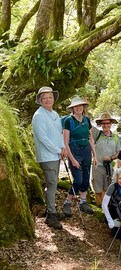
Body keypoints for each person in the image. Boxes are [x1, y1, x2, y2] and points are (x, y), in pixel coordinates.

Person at [32, 86, 66, 230]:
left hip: (56, 154)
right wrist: (58, 149)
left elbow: (58, 134)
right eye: (44, 98)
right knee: (51, 183)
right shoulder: (39, 116)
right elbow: (43, 138)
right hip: (47, 156)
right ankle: (51, 215)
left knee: (53, 183)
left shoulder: (55, 114)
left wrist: (62, 148)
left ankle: (49, 210)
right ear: (40, 100)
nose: (47, 100)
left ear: (53, 99)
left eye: (50, 97)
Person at [62, 96, 97, 217]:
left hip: (86, 150)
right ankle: (67, 202)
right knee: (78, 180)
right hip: (74, 151)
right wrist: (72, 159)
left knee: (86, 179)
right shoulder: (68, 121)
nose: (78, 108)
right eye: (76, 106)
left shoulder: (87, 120)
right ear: (72, 108)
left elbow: (90, 138)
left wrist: (95, 156)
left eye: (80, 106)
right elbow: (65, 142)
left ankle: (83, 202)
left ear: (83, 107)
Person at [92, 113, 121, 206]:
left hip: (109, 167)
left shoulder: (116, 138)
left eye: (107, 123)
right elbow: (88, 126)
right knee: (97, 189)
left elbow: (119, 153)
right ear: (100, 124)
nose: (105, 125)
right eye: (103, 123)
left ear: (111, 124)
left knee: (107, 189)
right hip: (97, 167)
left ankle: (107, 209)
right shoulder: (97, 134)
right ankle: (99, 208)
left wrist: (111, 158)